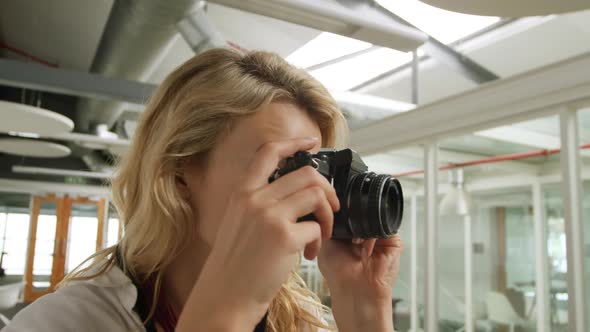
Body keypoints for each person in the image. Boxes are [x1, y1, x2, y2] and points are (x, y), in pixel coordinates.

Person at [3, 48, 403, 332]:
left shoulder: (298, 320)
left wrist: (365, 313)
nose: (308, 191)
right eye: (284, 168)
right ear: (179, 173)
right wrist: (229, 310)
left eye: (317, 169)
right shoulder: (61, 323)